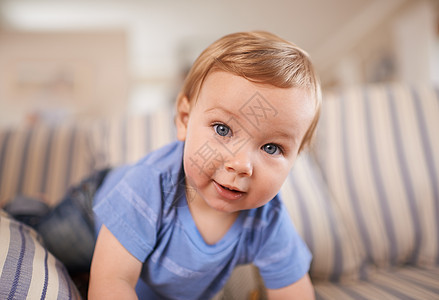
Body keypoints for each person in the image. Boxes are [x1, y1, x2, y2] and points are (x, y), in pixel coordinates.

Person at [7, 31, 321, 299]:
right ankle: (29, 209)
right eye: (223, 130)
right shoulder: (150, 185)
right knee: (50, 243)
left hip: (143, 262)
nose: (241, 164)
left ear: (295, 158)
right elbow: (112, 282)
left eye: (271, 147)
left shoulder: (268, 219)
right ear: (184, 120)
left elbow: (294, 292)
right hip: (92, 212)